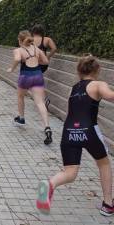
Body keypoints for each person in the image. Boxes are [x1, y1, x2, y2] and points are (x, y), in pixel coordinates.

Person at [36, 54, 114, 216]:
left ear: (79, 71)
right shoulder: (98, 84)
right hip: (88, 130)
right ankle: (108, 204)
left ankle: (50, 184)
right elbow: (111, 96)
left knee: (70, 173)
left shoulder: (75, 87)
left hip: (69, 131)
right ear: (97, 70)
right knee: (104, 163)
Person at [7, 30, 52, 145]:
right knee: (40, 103)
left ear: (19, 40)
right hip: (38, 75)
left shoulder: (18, 50)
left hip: (25, 76)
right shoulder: (37, 49)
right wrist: (37, 62)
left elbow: (17, 59)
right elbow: (46, 61)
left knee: (20, 97)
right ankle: (47, 127)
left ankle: (21, 118)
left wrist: (12, 69)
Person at [31, 24, 57, 109]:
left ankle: (44, 99)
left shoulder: (30, 40)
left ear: (33, 32)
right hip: (43, 65)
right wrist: (48, 57)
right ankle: (41, 98)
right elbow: (54, 48)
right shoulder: (47, 39)